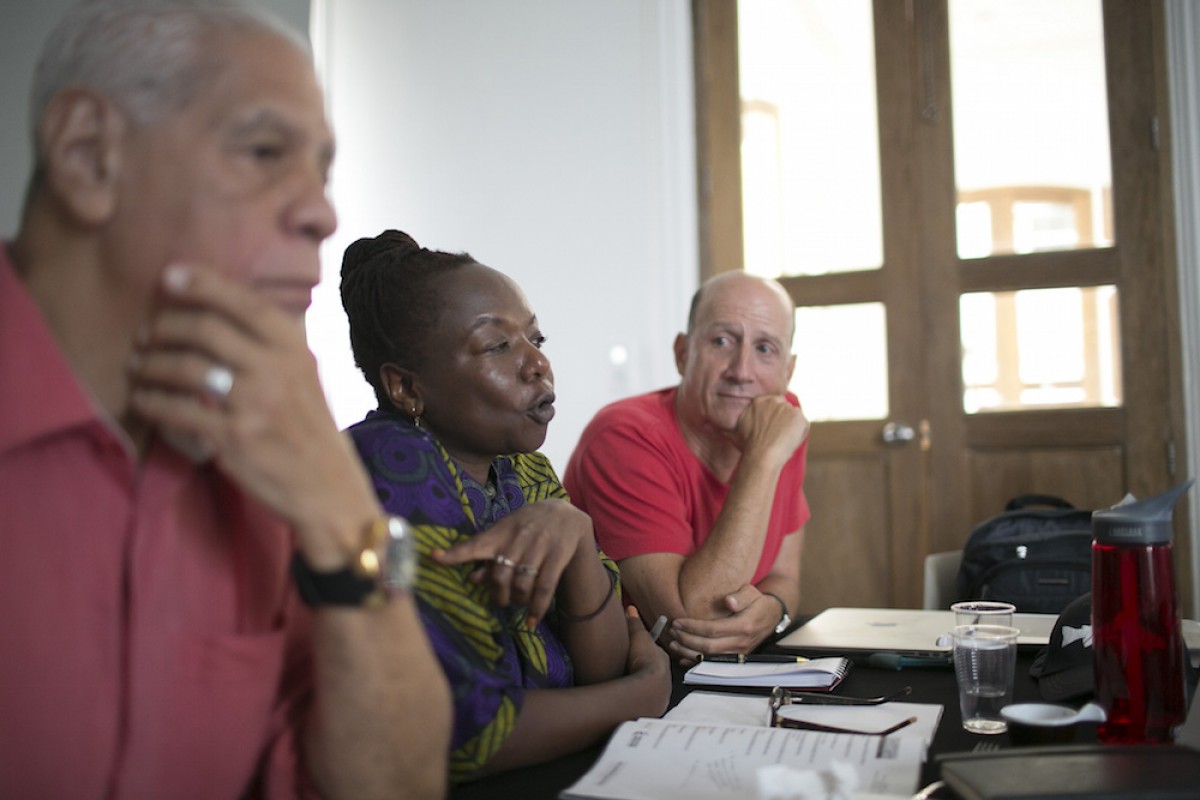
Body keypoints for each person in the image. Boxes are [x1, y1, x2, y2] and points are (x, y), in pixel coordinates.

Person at [0, 2, 450, 798]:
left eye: (321, 171)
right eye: (264, 149)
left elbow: (401, 784)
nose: (322, 213)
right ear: (87, 155)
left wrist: (345, 514)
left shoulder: (275, 427)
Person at [339, 230, 672, 782]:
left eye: (536, 338)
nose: (537, 364)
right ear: (405, 388)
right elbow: (460, 735)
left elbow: (600, 666)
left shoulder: (522, 468)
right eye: (498, 346)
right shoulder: (388, 468)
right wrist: (641, 694)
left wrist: (576, 535)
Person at [564, 271, 810, 664]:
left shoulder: (781, 418)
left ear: (788, 371)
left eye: (765, 348)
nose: (741, 370)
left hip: (732, 668)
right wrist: (761, 459)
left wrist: (774, 611)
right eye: (721, 341)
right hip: (626, 673)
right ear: (682, 353)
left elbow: (784, 576)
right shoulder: (623, 436)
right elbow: (691, 619)